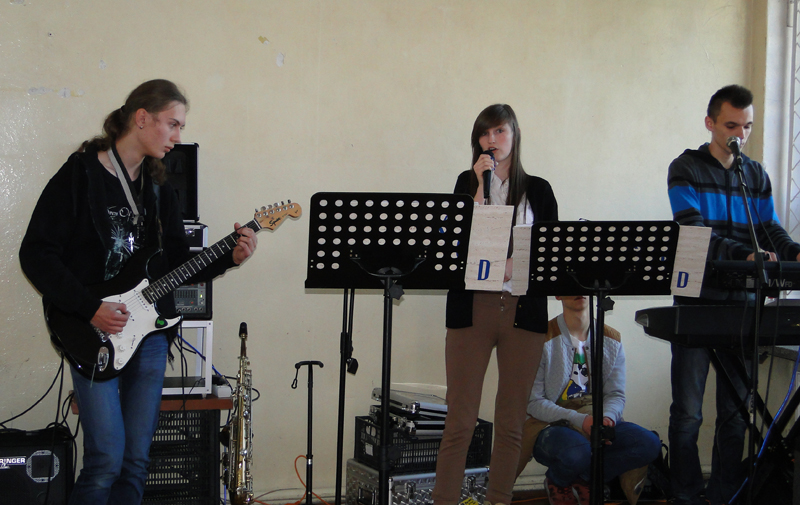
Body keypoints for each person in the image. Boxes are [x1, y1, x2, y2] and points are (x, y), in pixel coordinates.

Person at [18, 79, 258, 505]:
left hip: (149, 335)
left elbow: (179, 264)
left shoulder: (159, 187)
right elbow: (36, 255)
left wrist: (230, 257)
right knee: (105, 462)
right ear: (142, 118)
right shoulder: (80, 174)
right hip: (90, 331)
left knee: (135, 462)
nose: (177, 137)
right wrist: (90, 308)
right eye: (172, 124)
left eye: (181, 127)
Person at [667, 84, 800, 505]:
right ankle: (686, 495)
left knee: (736, 413)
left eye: (747, 127)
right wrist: (744, 255)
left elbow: (770, 228)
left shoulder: (754, 174)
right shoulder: (685, 168)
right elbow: (693, 229)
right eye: (731, 126)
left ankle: (725, 495)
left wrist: (793, 253)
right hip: (697, 301)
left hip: (744, 305)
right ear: (710, 123)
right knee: (688, 413)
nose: (739, 135)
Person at [432, 104, 558, 505]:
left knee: (510, 421)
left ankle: (498, 499)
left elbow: (549, 251)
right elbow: (451, 243)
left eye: (500, 131)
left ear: (514, 136)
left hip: (523, 309)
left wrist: (511, 265)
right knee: (460, 418)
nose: (492, 140)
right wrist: (478, 187)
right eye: (485, 134)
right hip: (473, 309)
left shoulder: (539, 190)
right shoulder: (464, 183)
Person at [515, 295, 661, 505]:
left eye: (585, 284)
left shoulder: (611, 339)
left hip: (596, 416)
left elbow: (615, 394)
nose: (579, 291)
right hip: (551, 424)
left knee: (648, 444)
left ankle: (583, 479)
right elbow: (534, 402)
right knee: (578, 453)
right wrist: (581, 420)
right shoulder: (541, 338)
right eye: (573, 284)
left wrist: (607, 420)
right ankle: (558, 480)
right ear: (558, 294)